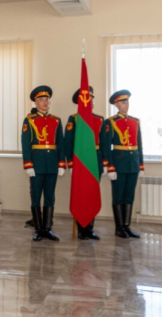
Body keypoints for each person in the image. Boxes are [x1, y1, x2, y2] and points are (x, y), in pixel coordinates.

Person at [21, 86, 66, 242]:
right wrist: (28, 164)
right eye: (41, 100)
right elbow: (26, 143)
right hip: (37, 164)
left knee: (49, 197)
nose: (45, 102)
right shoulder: (29, 120)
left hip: (52, 164)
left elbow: (60, 143)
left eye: (47, 100)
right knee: (35, 198)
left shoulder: (56, 120)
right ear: (36, 102)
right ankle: (38, 229)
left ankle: (47, 229)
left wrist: (61, 163)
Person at [101, 90, 144, 239]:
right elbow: (106, 146)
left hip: (133, 163)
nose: (127, 105)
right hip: (118, 164)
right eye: (123, 102)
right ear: (116, 104)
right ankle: (119, 228)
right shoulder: (110, 122)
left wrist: (141, 164)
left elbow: (139, 144)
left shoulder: (135, 121)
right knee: (118, 196)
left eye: (127, 102)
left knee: (129, 195)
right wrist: (110, 166)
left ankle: (127, 226)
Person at [64, 87, 104, 240]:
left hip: (95, 160)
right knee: (81, 195)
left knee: (92, 195)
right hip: (80, 162)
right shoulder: (74, 119)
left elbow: (104, 144)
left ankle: (90, 228)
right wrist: (71, 164)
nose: (92, 102)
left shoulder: (99, 119)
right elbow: (68, 143)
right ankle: (81, 228)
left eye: (92, 99)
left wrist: (105, 163)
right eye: (89, 99)